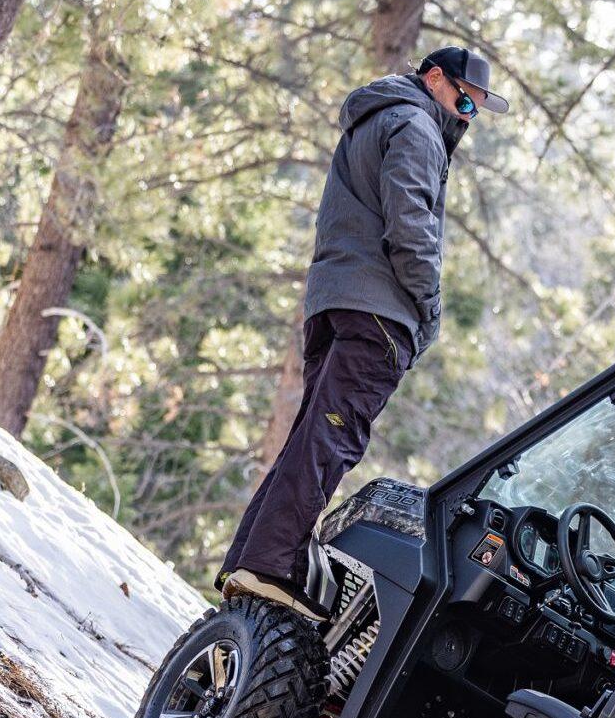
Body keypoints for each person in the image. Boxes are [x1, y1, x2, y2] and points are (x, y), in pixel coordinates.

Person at [217, 45, 510, 618]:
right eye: (465, 103)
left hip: (335, 301)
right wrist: (429, 309)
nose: (467, 118)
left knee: (312, 435)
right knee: (333, 436)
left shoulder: (375, 119)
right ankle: (271, 566)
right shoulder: (417, 128)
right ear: (434, 78)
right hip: (379, 311)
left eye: (475, 109)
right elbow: (411, 228)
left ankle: (249, 560)